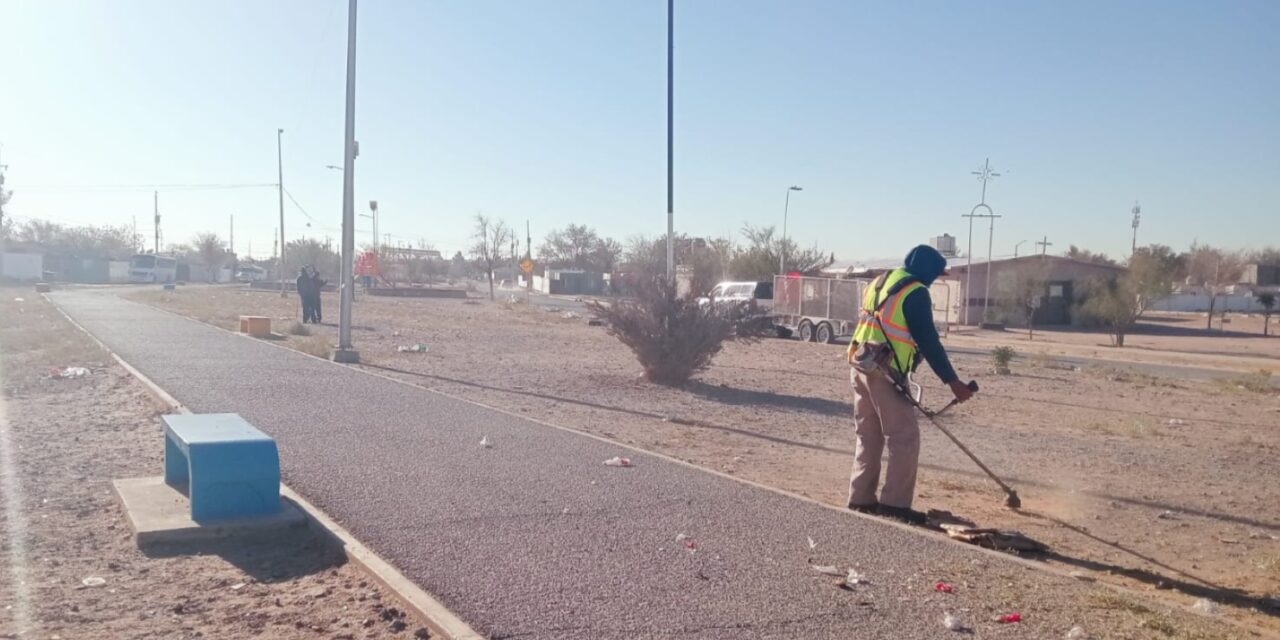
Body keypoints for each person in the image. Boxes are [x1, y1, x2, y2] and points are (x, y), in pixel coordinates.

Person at [845, 245, 973, 525]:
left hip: (861, 362)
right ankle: (895, 506)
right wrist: (953, 383)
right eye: (936, 275)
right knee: (904, 438)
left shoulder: (880, 281)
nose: (935, 280)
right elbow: (928, 340)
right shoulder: (914, 292)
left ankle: (860, 498)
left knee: (869, 435)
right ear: (927, 271)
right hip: (884, 371)